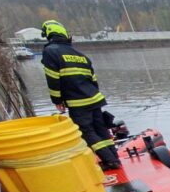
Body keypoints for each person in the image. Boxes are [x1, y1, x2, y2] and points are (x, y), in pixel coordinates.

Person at [40, 20, 121, 170]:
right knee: (101, 129)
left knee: (86, 131)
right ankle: (114, 157)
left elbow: (52, 78)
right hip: (94, 97)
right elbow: (93, 80)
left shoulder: (50, 52)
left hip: (78, 102)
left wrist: (57, 100)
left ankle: (110, 161)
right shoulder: (81, 56)